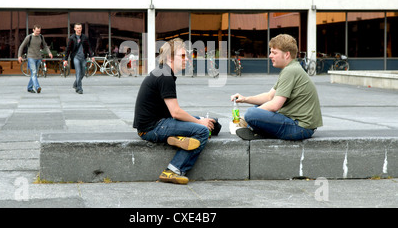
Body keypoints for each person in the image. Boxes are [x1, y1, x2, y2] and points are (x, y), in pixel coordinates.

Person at [133, 38, 216, 185]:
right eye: (183, 56)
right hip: (152, 128)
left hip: (158, 122)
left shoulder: (163, 72)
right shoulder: (165, 76)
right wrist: (199, 122)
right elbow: (176, 113)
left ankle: (179, 138)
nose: (187, 59)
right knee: (203, 130)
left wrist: (199, 120)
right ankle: (173, 170)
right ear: (170, 58)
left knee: (212, 123)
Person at [231, 34, 323, 141]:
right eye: (271, 52)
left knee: (251, 113)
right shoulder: (292, 68)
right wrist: (245, 99)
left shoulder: (290, 71)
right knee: (255, 110)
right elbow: (270, 96)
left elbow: (275, 105)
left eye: (274, 53)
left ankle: (258, 130)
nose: (270, 56)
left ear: (287, 54)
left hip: (299, 127)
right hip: (301, 126)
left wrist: (246, 119)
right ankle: (260, 130)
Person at [18, 25, 53, 93]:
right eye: (37, 31)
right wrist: (19, 56)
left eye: (39, 31)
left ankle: (29, 87)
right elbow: (21, 46)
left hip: (38, 57)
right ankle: (37, 87)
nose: (38, 33)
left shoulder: (41, 37)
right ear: (33, 30)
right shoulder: (29, 37)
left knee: (34, 74)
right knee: (34, 72)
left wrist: (49, 52)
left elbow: (45, 45)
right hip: (31, 57)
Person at [63, 23, 94, 94]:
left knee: (83, 73)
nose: (79, 29)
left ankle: (75, 84)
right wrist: (65, 59)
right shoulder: (72, 38)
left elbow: (88, 47)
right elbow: (68, 49)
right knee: (78, 72)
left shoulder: (84, 37)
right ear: (74, 29)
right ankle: (79, 88)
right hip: (76, 57)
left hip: (83, 57)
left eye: (80, 28)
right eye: (77, 28)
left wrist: (91, 55)